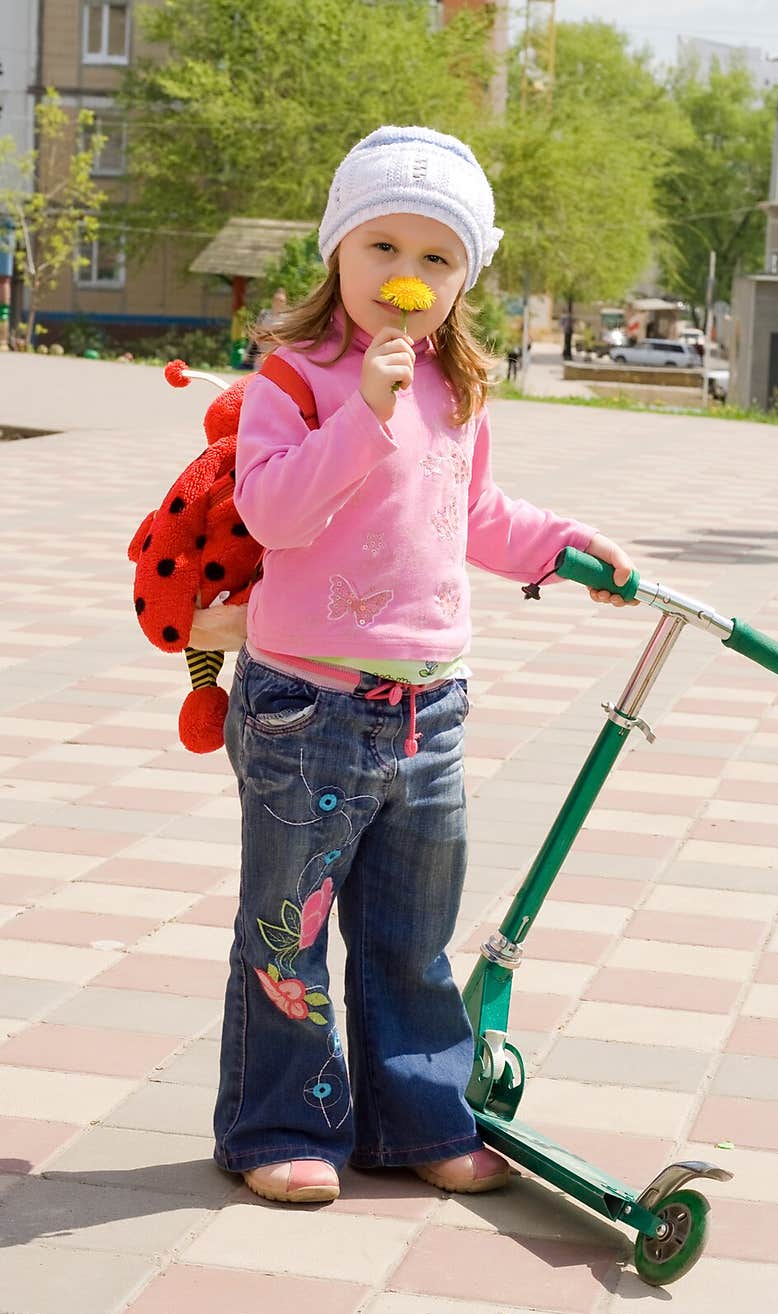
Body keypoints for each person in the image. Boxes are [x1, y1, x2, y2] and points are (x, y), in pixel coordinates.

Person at [212, 125, 636, 1205]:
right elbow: (273, 510)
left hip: (427, 709)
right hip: (304, 705)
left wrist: (562, 548)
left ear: (464, 278)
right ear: (337, 256)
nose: (406, 279)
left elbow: (468, 512)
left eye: (435, 259)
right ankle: (277, 1127)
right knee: (286, 932)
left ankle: (415, 1117)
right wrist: (363, 414)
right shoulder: (295, 380)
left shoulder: (456, 389)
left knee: (410, 936)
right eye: (382, 249)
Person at [241, 287, 289, 371]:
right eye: (276, 300)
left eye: (281, 301)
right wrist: (248, 351)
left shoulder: (287, 318)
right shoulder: (264, 314)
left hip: (277, 355)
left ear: (285, 303)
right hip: (261, 354)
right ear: (272, 301)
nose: (278, 303)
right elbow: (255, 334)